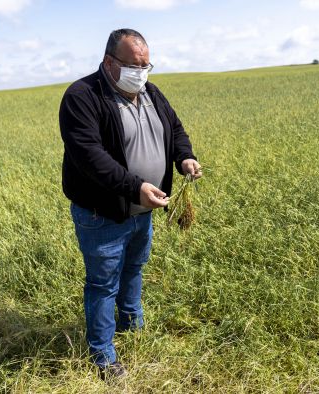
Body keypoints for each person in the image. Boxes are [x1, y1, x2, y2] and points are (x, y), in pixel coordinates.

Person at [58, 28, 202, 380]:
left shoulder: (150, 91)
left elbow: (175, 129)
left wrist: (184, 157)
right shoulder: (82, 96)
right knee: (103, 283)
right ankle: (103, 356)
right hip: (102, 214)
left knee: (133, 270)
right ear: (109, 62)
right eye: (134, 65)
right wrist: (134, 187)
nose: (141, 71)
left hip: (142, 211)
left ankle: (131, 329)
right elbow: (90, 157)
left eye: (146, 64)